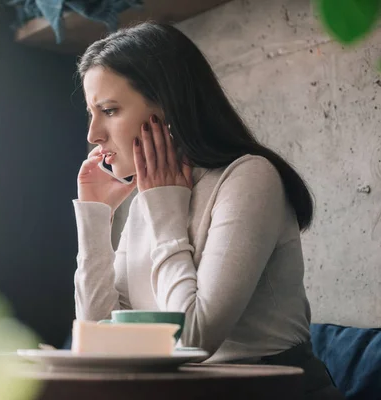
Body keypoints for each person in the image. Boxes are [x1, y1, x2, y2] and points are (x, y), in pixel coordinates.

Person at [72, 21, 344, 399]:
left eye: (109, 110)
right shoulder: (147, 200)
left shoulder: (249, 178)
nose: (93, 135)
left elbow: (194, 340)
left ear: (168, 108)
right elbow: (98, 340)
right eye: (92, 112)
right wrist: (95, 218)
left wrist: (165, 208)